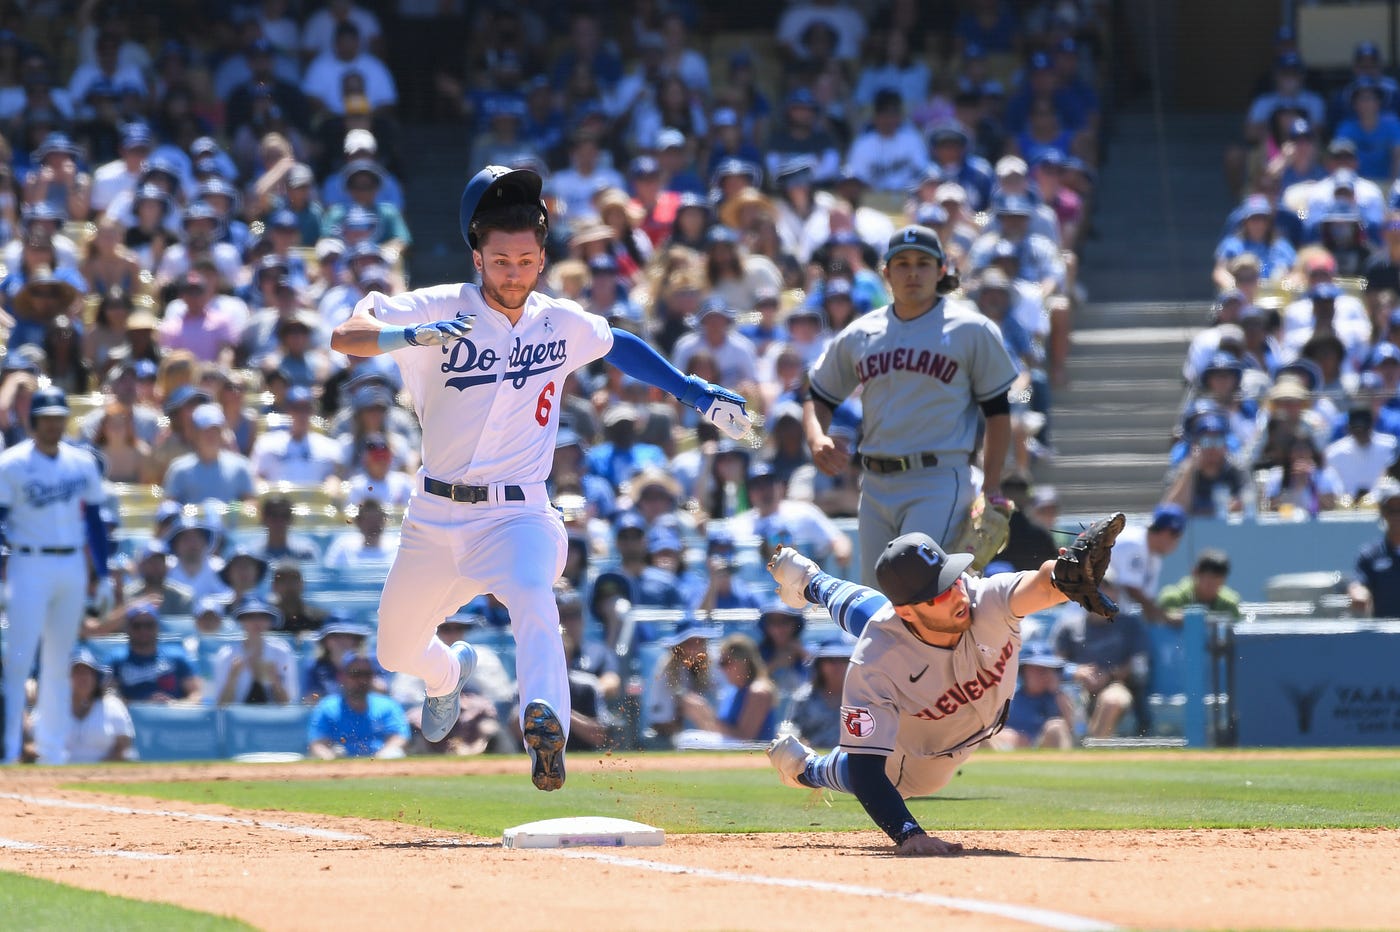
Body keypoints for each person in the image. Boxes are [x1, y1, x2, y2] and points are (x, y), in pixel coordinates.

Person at [328, 165, 752, 790]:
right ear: (477, 256)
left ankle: (544, 723)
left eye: (526, 259)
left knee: (532, 594)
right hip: (435, 516)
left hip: (517, 514)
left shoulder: (559, 320)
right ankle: (448, 673)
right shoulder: (438, 306)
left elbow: (618, 344)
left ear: (543, 258)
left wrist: (692, 391)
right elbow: (346, 336)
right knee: (394, 651)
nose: (514, 272)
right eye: (500, 259)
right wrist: (410, 335)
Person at [764, 521, 1121, 854]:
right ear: (906, 613)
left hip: (977, 714)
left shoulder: (984, 598)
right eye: (939, 594)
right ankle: (806, 768)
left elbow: (1042, 585)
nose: (957, 596)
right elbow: (866, 769)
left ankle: (812, 581)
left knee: (878, 615)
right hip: (922, 758)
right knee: (877, 628)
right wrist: (908, 832)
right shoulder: (874, 664)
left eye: (951, 580)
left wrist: (1063, 575)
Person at [803, 225, 1017, 585]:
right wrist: (815, 437)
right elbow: (819, 395)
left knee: (918, 591)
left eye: (923, 263)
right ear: (886, 273)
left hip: (937, 478)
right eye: (902, 263)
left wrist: (991, 486)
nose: (913, 272)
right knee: (876, 608)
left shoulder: (971, 329)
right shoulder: (862, 332)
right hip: (873, 485)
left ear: (942, 269)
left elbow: (997, 413)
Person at [0, 387, 110, 764]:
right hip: (28, 562)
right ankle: (11, 748)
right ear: (34, 422)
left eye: (57, 418)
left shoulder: (81, 462)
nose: (52, 425)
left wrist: (105, 572)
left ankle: (51, 749)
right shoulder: (11, 463)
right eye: (45, 418)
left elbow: (95, 521)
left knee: (59, 661)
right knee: (19, 659)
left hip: (71, 565)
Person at [1052, 584, 1152, 739]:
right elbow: (1055, 664)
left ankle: (1093, 751)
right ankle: (1074, 751)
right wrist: (1077, 672)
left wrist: (1109, 675)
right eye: (1097, 588)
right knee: (1065, 697)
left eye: (1108, 587)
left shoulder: (1130, 624)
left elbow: (1138, 663)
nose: (1103, 593)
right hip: (1078, 687)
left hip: (1117, 684)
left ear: (1117, 594)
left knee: (1112, 700)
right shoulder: (1069, 626)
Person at [28, 649, 133, 764]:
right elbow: (31, 743)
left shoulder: (113, 706)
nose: (83, 678)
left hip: (104, 775)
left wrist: (97, 771)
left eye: (88, 673)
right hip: (59, 773)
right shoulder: (51, 707)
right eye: (77, 673)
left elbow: (123, 748)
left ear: (96, 678)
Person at [308, 650, 409, 759]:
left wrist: (383, 756)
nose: (362, 680)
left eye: (367, 674)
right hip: (341, 765)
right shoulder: (327, 707)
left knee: (393, 754)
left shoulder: (388, 705)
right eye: (355, 674)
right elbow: (318, 744)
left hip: (380, 764)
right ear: (341, 677)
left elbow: (399, 737)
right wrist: (330, 759)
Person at [1105, 504, 1185, 624]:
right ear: (1166, 533)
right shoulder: (1134, 544)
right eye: (1176, 536)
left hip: (1110, 619)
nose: (1176, 542)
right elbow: (1131, 588)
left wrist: (1160, 614)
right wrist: (1165, 617)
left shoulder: (1154, 555)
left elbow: (1146, 599)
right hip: (1086, 619)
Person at [211, 598, 301, 706]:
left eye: (263, 617)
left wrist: (275, 681)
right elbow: (221, 705)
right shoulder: (227, 654)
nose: (256, 622)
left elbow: (289, 704)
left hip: (274, 720)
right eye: (250, 617)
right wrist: (233, 677)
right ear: (242, 621)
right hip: (237, 721)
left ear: (270, 622)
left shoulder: (282, 651)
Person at [111, 602, 203, 704]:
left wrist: (173, 705)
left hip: (173, 717)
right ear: (128, 628)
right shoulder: (117, 659)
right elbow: (108, 697)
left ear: (157, 627)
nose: (143, 630)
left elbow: (196, 695)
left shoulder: (177, 656)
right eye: (137, 626)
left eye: (149, 625)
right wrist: (142, 705)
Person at [989, 643, 1074, 750]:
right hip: (1008, 753)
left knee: (1056, 727)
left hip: (1044, 752)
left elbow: (1073, 732)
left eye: (1047, 669)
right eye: (1037, 669)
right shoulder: (1008, 698)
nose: (1044, 674)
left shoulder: (1058, 698)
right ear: (1023, 672)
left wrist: (1058, 693)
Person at [785, 638, 854, 749]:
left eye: (843, 660)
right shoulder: (803, 698)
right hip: (812, 759)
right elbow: (791, 730)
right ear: (819, 665)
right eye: (830, 660)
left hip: (850, 758)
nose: (837, 666)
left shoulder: (861, 697)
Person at [1348, 479, 1400, 617]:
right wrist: (1358, 592)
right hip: (1383, 635)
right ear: (1383, 513)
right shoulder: (1370, 554)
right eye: (1392, 511)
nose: (1397, 516)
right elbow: (1359, 584)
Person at [1158, 550, 1243, 624]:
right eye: (1208, 580)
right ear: (1195, 573)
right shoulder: (1173, 599)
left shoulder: (1229, 604)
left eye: (1217, 582)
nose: (1212, 586)